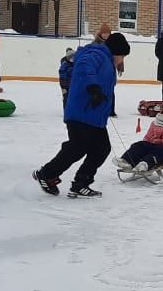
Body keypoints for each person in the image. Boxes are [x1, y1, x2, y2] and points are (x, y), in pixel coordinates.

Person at [33, 32, 131, 198]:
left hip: (93, 115)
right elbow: (85, 66)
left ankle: (81, 183)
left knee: (101, 148)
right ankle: (47, 173)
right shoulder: (97, 54)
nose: (122, 60)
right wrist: (93, 87)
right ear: (116, 51)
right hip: (82, 112)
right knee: (78, 147)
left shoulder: (105, 59)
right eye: (122, 56)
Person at [112, 95, 163, 172]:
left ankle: (145, 164)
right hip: (153, 146)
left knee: (160, 151)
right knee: (139, 145)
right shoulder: (155, 123)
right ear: (162, 109)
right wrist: (143, 145)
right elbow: (148, 136)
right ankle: (126, 161)